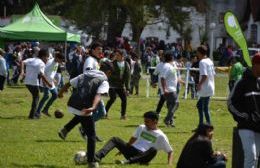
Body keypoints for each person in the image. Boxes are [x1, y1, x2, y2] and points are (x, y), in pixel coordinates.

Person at [58, 61, 113, 168]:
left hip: (73, 104)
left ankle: (65, 130)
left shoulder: (86, 74)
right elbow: (98, 95)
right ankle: (91, 162)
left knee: (80, 116)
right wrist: (93, 107)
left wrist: (60, 92)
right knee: (91, 136)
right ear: (109, 72)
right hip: (85, 106)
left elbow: (69, 83)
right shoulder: (104, 81)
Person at [93, 111, 173, 166]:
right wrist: (124, 148)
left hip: (143, 156)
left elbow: (170, 151)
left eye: (147, 122)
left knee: (153, 150)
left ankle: (126, 162)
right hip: (132, 151)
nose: (145, 124)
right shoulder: (141, 127)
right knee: (115, 139)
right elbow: (133, 139)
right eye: (144, 121)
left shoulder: (161, 135)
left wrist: (169, 164)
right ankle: (97, 156)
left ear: (155, 122)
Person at [228, 53, 260, 168]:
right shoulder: (242, 82)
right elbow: (231, 103)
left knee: (255, 159)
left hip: (258, 127)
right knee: (251, 156)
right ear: (256, 65)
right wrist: (244, 116)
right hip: (246, 126)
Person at [20, 49, 52, 119]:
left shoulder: (31, 59)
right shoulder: (41, 63)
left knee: (35, 97)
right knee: (36, 98)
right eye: (47, 57)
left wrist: (22, 71)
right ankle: (32, 115)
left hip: (27, 82)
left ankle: (34, 114)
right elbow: (42, 75)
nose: (48, 59)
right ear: (43, 56)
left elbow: (22, 62)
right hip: (34, 83)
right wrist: (49, 84)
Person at [35, 52, 63, 117]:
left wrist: (53, 79)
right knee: (46, 96)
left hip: (51, 82)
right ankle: (37, 112)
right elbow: (43, 73)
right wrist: (44, 83)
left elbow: (52, 73)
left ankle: (45, 110)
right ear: (56, 58)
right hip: (45, 82)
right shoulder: (50, 63)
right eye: (60, 60)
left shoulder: (57, 63)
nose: (61, 61)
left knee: (55, 95)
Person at [105, 49, 131, 119]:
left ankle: (123, 115)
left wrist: (127, 88)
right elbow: (108, 75)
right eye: (116, 55)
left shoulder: (126, 64)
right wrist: (116, 77)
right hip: (112, 85)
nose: (116, 56)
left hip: (120, 86)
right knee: (112, 99)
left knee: (124, 99)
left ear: (122, 56)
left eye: (118, 55)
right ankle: (104, 113)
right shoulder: (112, 63)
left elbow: (127, 77)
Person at [196, 45, 215, 125]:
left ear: (200, 53)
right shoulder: (210, 61)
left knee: (205, 108)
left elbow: (204, 75)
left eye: (197, 52)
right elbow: (213, 73)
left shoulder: (202, 62)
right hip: (210, 86)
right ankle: (201, 125)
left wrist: (199, 84)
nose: (196, 54)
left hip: (205, 87)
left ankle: (208, 126)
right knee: (200, 105)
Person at [160, 52, 179, 127]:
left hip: (171, 89)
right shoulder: (167, 66)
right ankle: (167, 119)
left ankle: (170, 122)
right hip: (169, 90)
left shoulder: (170, 66)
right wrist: (165, 89)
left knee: (170, 105)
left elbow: (172, 77)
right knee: (176, 104)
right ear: (172, 58)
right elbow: (162, 78)